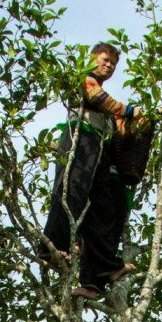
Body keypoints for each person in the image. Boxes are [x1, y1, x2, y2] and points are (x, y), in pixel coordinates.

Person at [42, 42, 145, 301]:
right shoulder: (85, 80)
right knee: (70, 191)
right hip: (81, 140)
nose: (108, 66)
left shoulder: (105, 100)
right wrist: (130, 111)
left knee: (101, 208)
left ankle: (106, 267)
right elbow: (98, 98)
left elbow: (119, 123)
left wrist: (147, 118)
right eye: (105, 60)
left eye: (113, 63)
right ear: (92, 59)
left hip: (97, 147)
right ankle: (52, 247)